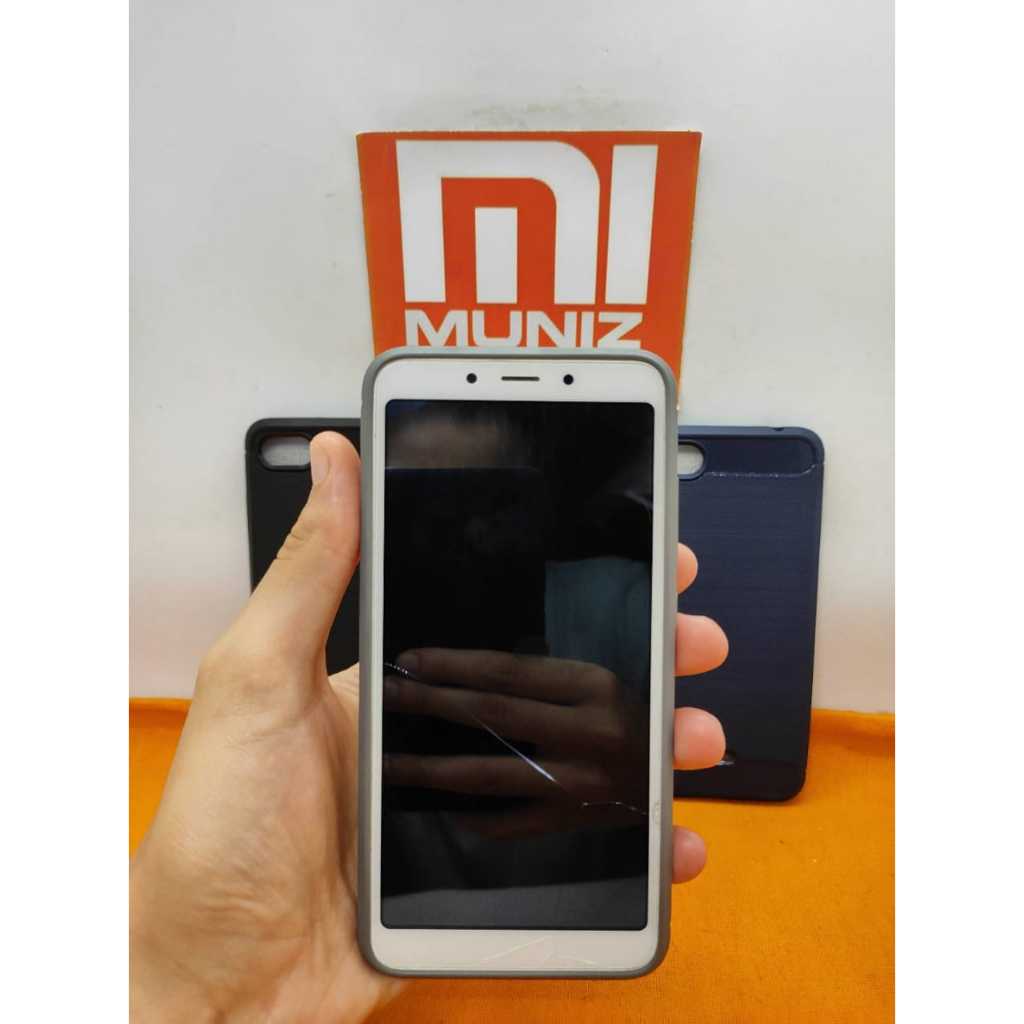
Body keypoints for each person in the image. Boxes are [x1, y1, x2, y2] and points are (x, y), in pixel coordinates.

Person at [129, 432, 730, 1022]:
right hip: (366, 907)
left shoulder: (625, 602)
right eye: (426, 506)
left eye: (495, 503)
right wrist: (173, 977)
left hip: (573, 895)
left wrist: (631, 796)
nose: (467, 536)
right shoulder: (346, 654)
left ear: (540, 509)